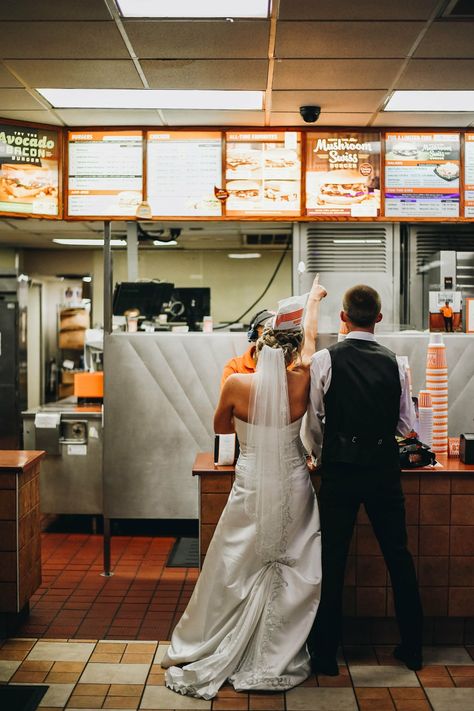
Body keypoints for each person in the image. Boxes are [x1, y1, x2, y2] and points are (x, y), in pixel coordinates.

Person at [161, 278, 327, 699]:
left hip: (251, 479)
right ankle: (277, 650)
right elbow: (310, 342)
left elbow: (220, 428)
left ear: (258, 346)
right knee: (289, 561)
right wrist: (313, 300)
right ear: (290, 352)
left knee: (239, 560)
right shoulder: (303, 377)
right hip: (293, 481)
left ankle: (215, 641)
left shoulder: (236, 385)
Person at [303, 284, 423, 676]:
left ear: (342, 316)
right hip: (382, 468)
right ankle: (413, 648)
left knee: (332, 558)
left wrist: (321, 456)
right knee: (398, 556)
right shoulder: (394, 362)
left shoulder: (325, 359)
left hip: (339, 469)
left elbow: (314, 420)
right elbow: (407, 425)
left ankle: (324, 655)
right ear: (379, 318)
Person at [220, 309, 275, 387]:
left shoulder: (291, 366)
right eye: (267, 329)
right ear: (254, 335)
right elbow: (228, 399)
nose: (273, 334)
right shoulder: (235, 368)